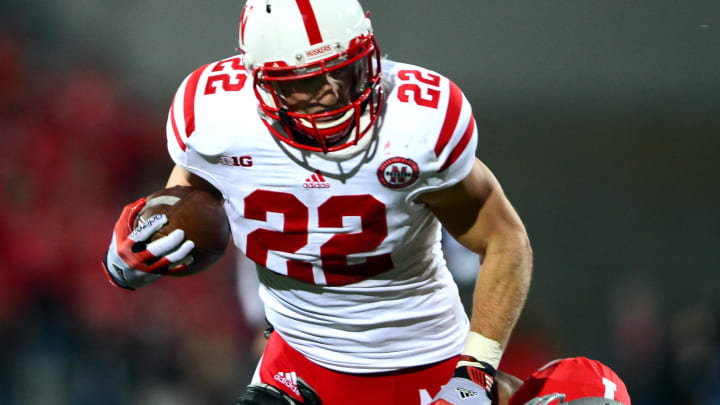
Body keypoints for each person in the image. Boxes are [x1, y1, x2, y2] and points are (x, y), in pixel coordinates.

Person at [101, 0, 533, 403]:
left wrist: (476, 370)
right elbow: (185, 206)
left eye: (344, 68)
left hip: (428, 356)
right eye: (305, 80)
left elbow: (504, 242)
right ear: (262, 82)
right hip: (299, 363)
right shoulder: (215, 118)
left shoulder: (417, 122)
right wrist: (127, 261)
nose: (332, 92)